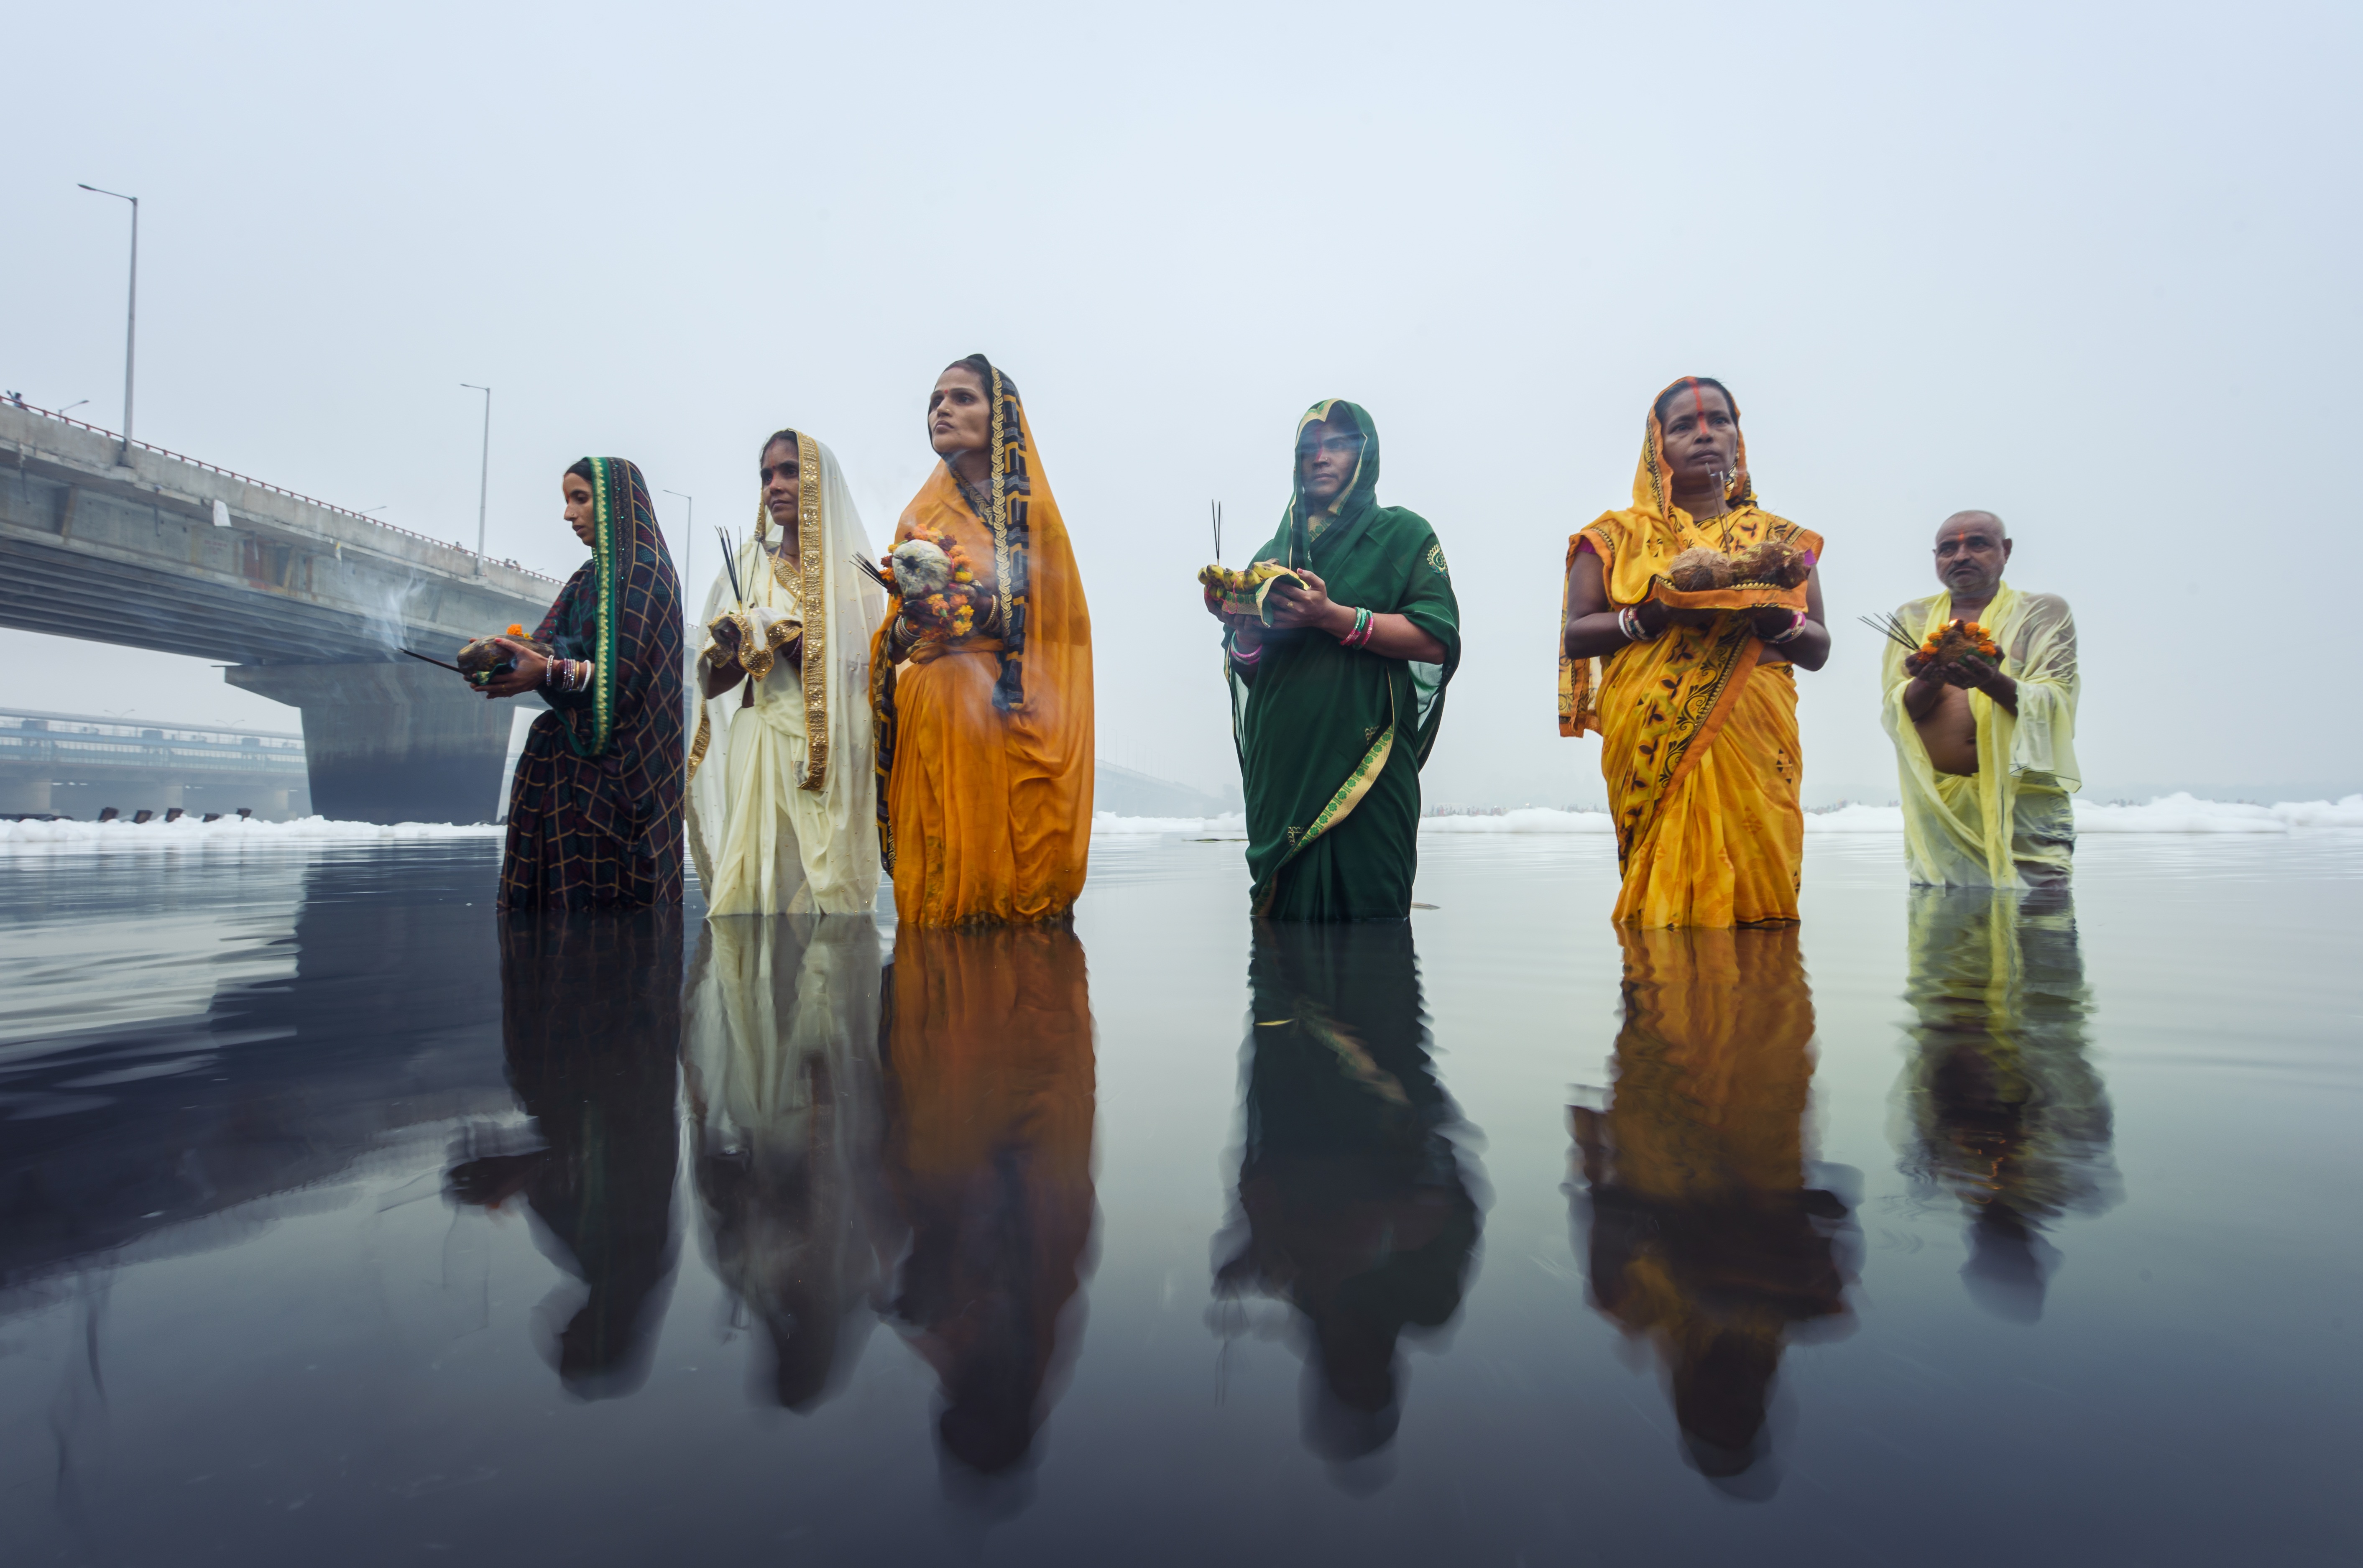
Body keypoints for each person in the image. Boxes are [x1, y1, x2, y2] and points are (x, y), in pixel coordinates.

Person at [1571, 926, 1854, 1491]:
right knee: (1733, 1010)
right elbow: (1833, 1205)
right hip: (1754, 1125)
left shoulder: (1630, 1303)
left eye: (1713, 1410)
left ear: (1686, 1399)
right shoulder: (1802, 1302)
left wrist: (1594, 1148)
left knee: (1659, 1007)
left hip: (1663, 1124)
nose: (1728, 1394)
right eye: (1739, 1409)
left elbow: (1602, 1198)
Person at [1559, 378, 1828, 927]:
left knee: (1761, 914)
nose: (1704, 435)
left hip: (1755, 731)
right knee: (1664, 913)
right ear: (1655, 448)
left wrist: (1771, 619)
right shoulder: (1613, 537)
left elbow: (1818, 647)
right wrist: (1653, 614)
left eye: (1719, 422)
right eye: (1682, 425)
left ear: (1737, 438)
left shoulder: (1780, 541)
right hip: (1653, 731)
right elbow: (1577, 634)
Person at [1209, 401, 1459, 921]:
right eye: (1308, 448)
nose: (1320, 458)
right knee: (1280, 942)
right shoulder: (1269, 560)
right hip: (1282, 773)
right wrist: (1244, 629)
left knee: (1376, 942)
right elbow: (1253, 670)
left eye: (1339, 444)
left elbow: (1436, 639)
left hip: (1369, 766)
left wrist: (1333, 617)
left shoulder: (1403, 536)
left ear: (1366, 454)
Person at [869, 355, 1093, 927]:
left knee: (1007, 903)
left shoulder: (1031, 515)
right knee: (935, 904)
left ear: (1001, 418)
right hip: (929, 714)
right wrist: (917, 620)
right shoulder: (915, 518)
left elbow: (1062, 627)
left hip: (1004, 716)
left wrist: (981, 609)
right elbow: (894, 641)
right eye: (934, 400)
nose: (941, 408)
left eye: (962, 397)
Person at [686, 429, 884, 916]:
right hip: (761, 745)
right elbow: (718, 685)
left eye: (788, 472)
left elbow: (867, 678)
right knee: (755, 901)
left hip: (836, 752)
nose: (773, 485)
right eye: (765, 476)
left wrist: (789, 639)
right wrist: (733, 646)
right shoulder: (747, 567)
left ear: (821, 482)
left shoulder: (857, 577)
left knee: (828, 902)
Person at [480, 457, 685, 911]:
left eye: (581, 499)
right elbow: (549, 645)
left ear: (618, 504)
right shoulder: (585, 578)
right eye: (567, 501)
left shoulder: (647, 574)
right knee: (552, 925)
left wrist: (548, 672)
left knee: (618, 932)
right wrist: (505, 660)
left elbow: (628, 677)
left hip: (625, 780)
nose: (569, 515)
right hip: (565, 771)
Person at [1880, 511, 2080, 888]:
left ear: (2005, 551)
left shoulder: (2042, 612)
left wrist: (1991, 681)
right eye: (1947, 549)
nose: (1960, 556)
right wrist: (1930, 679)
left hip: (2025, 806)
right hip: (1941, 810)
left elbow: (2055, 702)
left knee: (2041, 932)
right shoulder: (1911, 617)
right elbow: (1897, 712)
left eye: (1977, 544)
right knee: (1943, 938)